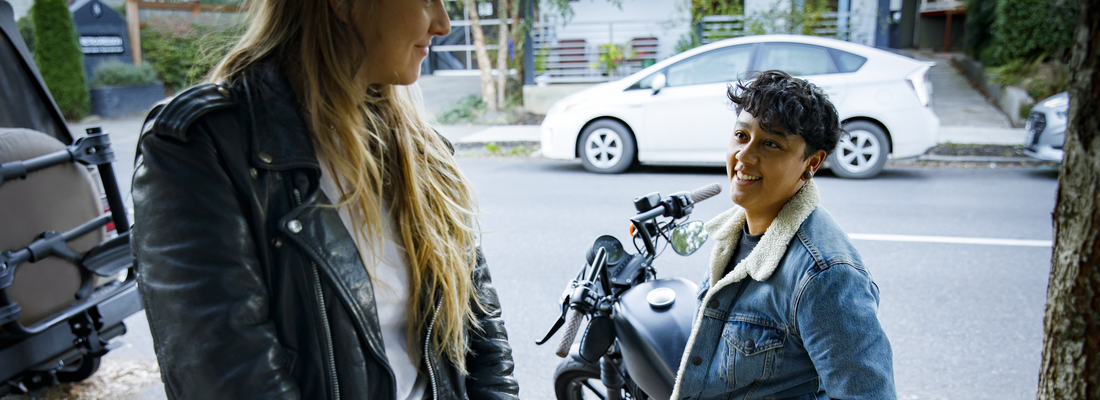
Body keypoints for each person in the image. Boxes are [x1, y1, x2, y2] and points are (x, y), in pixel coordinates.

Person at [130, 0, 520, 399]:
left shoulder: (421, 149)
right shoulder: (202, 146)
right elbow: (230, 379)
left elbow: (481, 332)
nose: (442, 23)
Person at [669, 70, 895, 400]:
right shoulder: (735, 231)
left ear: (811, 164)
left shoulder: (826, 275)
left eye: (771, 143)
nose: (744, 156)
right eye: (741, 135)